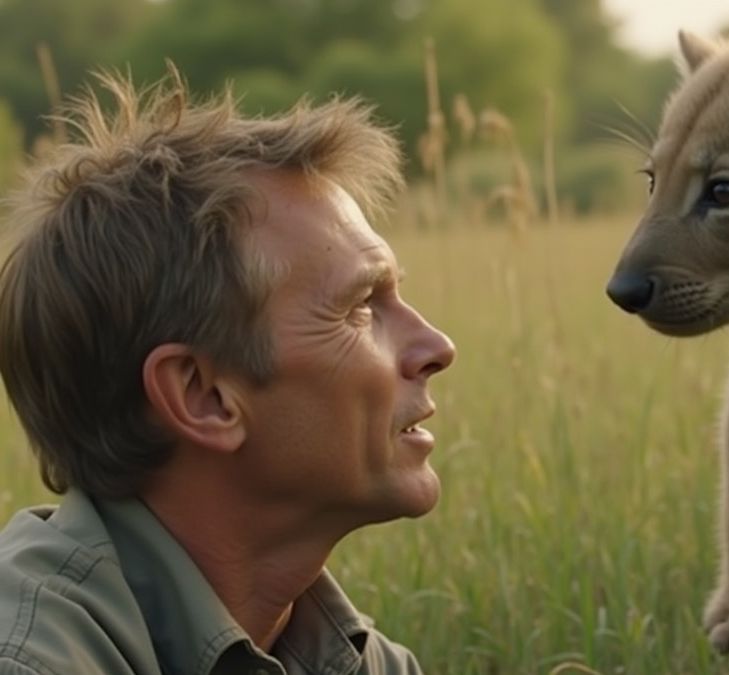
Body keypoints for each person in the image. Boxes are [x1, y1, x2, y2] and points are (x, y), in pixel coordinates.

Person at [0, 67, 456, 675]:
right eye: (359, 307)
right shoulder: (29, 658)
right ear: (202, 396)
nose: (436, 346)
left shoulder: (352, 657)